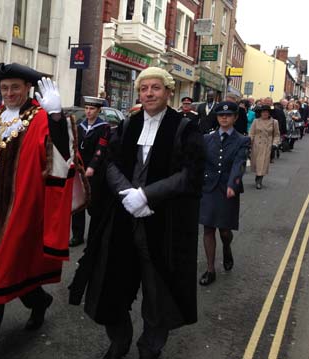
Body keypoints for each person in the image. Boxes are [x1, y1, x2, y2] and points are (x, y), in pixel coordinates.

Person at [69, 67, 205, 359]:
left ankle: (149, 347)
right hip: (123, 220)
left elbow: (191, 174)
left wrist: (147, 195)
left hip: (163, 225)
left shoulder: (184, 128)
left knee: (158, 294)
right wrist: (127, 194)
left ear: (169, 92)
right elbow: (110, 163)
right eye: (144, 89)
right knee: (110, 285)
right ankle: (119, 340)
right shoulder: (129, 125)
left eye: (156, 88)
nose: (149, 93)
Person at [0, 63, 78, 359]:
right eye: (4, 88)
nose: (9, 94)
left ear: (28, 88)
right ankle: (39, 300)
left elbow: (64, 157)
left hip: (20, 211)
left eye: (15, 88)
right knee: (9, 270)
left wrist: (57, 117)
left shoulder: (40, 118)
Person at [198, 102, 250, 286]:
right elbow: (199, 162)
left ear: (235, 118)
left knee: (225, 231)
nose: (224, 118)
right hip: (208, 189)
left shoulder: (242, 140)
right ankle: (210, 269)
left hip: (228, 189)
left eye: (228, 115)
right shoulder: (206, 139)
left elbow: (240, 163)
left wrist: (233, 184)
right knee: (208, 228)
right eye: (221, 115)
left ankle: (227, 246)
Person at [70, 96, 111, 247]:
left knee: (94, 205)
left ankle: (96, 235)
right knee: (78, 203)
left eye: (92, 109)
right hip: (80, 169)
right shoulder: (80, 126)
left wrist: (92, 166)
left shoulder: (103, 127)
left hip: (95, 171)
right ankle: (77, 235)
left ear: (98, 110)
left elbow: (101, 149)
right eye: (86, 108)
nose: (88, 112)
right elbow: (74, 146)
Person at [249, 105, 280, 189]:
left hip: (267, 146)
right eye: (263, 112)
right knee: (257, 163)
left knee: (263, 164)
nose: (265, 113)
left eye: (267, 112)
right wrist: (248, 143)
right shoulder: (256, 121)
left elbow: (277, 135)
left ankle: (259, 181)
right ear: (260, 113)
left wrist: (275, 144)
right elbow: (251, 133)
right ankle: (257, 176)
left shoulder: (274, 122)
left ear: (269, 113)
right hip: (256, 145)